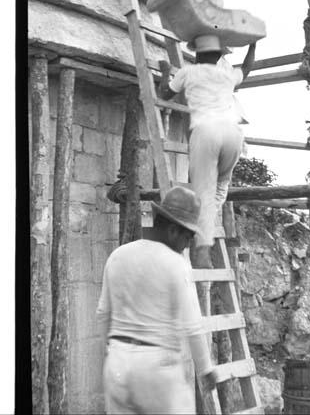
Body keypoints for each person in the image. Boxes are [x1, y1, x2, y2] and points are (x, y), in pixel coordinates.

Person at [96, 186, 218, 414]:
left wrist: (113, 353)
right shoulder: (175, 264)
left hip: (117, 365)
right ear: (173, 230)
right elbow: (192, 326)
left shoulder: (118, 255)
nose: (188, 243)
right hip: (156, 369)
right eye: (188, 236)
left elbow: (103, 314)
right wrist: (205, 369)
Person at [159, 34, 256, 268]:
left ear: (197, 54)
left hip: (207, 133)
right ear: (220, 55)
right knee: (220, 188)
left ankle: (201, 254)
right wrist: (253, 43)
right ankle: (206, 233)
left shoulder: (188, 72)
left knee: (204, 193)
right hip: (232, 135)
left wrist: (164, 72)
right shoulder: (226, 75)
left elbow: (164, 94)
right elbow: (248, 67)